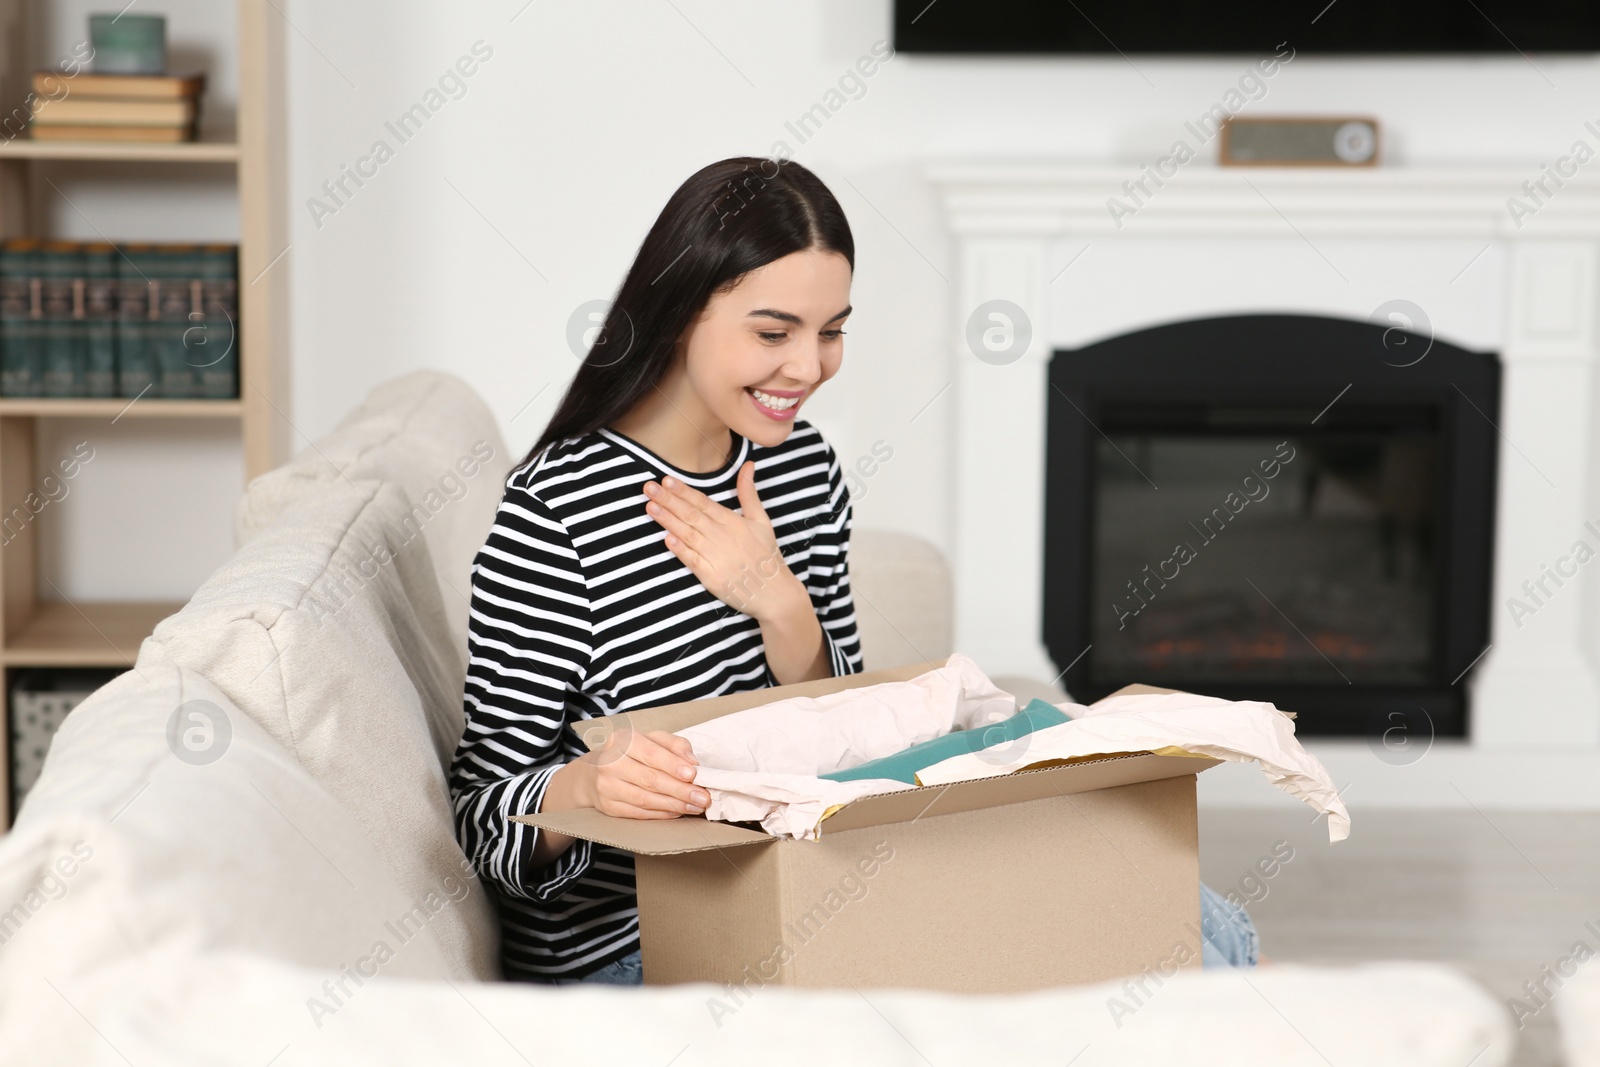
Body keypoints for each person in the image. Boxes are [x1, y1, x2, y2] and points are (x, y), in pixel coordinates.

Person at [447, 155, 1258, 987]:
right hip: (641, 944)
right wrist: (588, 784)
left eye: (831, 331)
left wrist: (780, 603)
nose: (807, 368)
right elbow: (479, 818)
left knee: (1189, 917)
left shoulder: (800, 466)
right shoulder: (556, 512)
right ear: (679, 312)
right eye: (773, 332)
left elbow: (839, 735)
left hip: (809, 874)